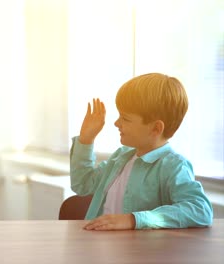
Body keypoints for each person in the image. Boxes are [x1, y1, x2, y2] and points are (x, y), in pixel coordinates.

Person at [70, 73, 213, 230]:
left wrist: (133, 220)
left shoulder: (173, 166)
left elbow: (201, 210)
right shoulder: (120, 157)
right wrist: (86, 139)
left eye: (125, 118)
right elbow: (82, 185)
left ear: (156, 128)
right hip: (98, 247)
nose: (116, 123)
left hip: (139, 253)